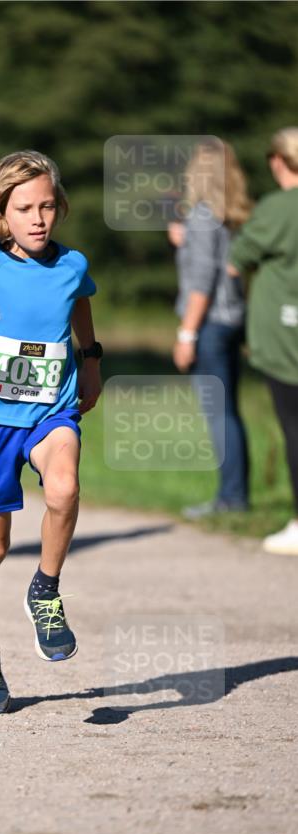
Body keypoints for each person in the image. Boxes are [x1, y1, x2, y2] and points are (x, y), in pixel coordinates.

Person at [0, 151, 102, 714]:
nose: (38, 219)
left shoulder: (72, 263)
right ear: (1, 212)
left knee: (64, 489)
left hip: (51, 412)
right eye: (24, 208)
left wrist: (93, 360)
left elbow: (78, 305)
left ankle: (46, 591)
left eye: (47, 206)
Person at [172, 141, 253, 518]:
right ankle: (234, 495)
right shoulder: (232, 216)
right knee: (230, 411)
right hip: (234, 318)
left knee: (219, 414)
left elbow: (203, 281)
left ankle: (231, 498)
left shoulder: (203, 216)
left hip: (211, 324)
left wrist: (187, 334)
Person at [229, 127, 298, 556]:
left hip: (284, 338)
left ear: (278, 162)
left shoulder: (278, 207)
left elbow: (238, 262)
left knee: (294, 428)